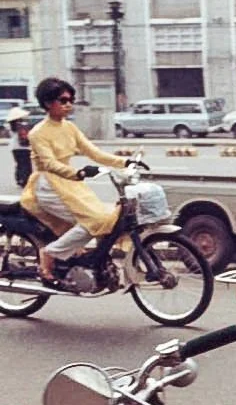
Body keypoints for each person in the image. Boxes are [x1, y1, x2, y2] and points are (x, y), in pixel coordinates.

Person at [19, 77, 139, 285]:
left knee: (105, 217)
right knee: (94, 220)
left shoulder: (69, 127)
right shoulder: (38, 133)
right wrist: (78, 174)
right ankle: (50, 253)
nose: (68, 104)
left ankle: (91, 262)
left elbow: (94, 152)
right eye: (63, 100)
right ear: (48, 103)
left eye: (71, 100)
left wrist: (125, 162)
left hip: (70, 184)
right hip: (48, 185)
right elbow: (49, 164)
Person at [6, 106, 32, 188]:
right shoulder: (22, 125)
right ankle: (25, 180)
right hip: (24, 148)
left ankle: (19, 179)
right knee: (26, 164)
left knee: (19, 164)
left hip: (14, 147)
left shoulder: (10, 126)